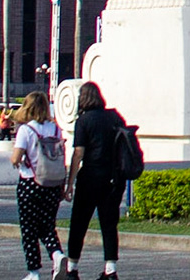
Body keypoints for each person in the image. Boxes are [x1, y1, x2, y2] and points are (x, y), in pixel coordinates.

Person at [66, 82, 128, 278]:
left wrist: (70, 183)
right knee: (109, 224)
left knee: (79, 223)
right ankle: (110, 269)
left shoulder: (84, 121)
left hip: (90, 177)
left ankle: (72, 268)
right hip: (113, 179)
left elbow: (78, 153)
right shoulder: (115, 117)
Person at [8, 92, 68, 280]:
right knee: (47, 225)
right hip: (53, 183)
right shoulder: (55, 129)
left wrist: (18, 160)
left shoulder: (26, 130)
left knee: (29, 229)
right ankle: (57, 254)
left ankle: (34, 272)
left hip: (31, 183)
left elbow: (16, 158)